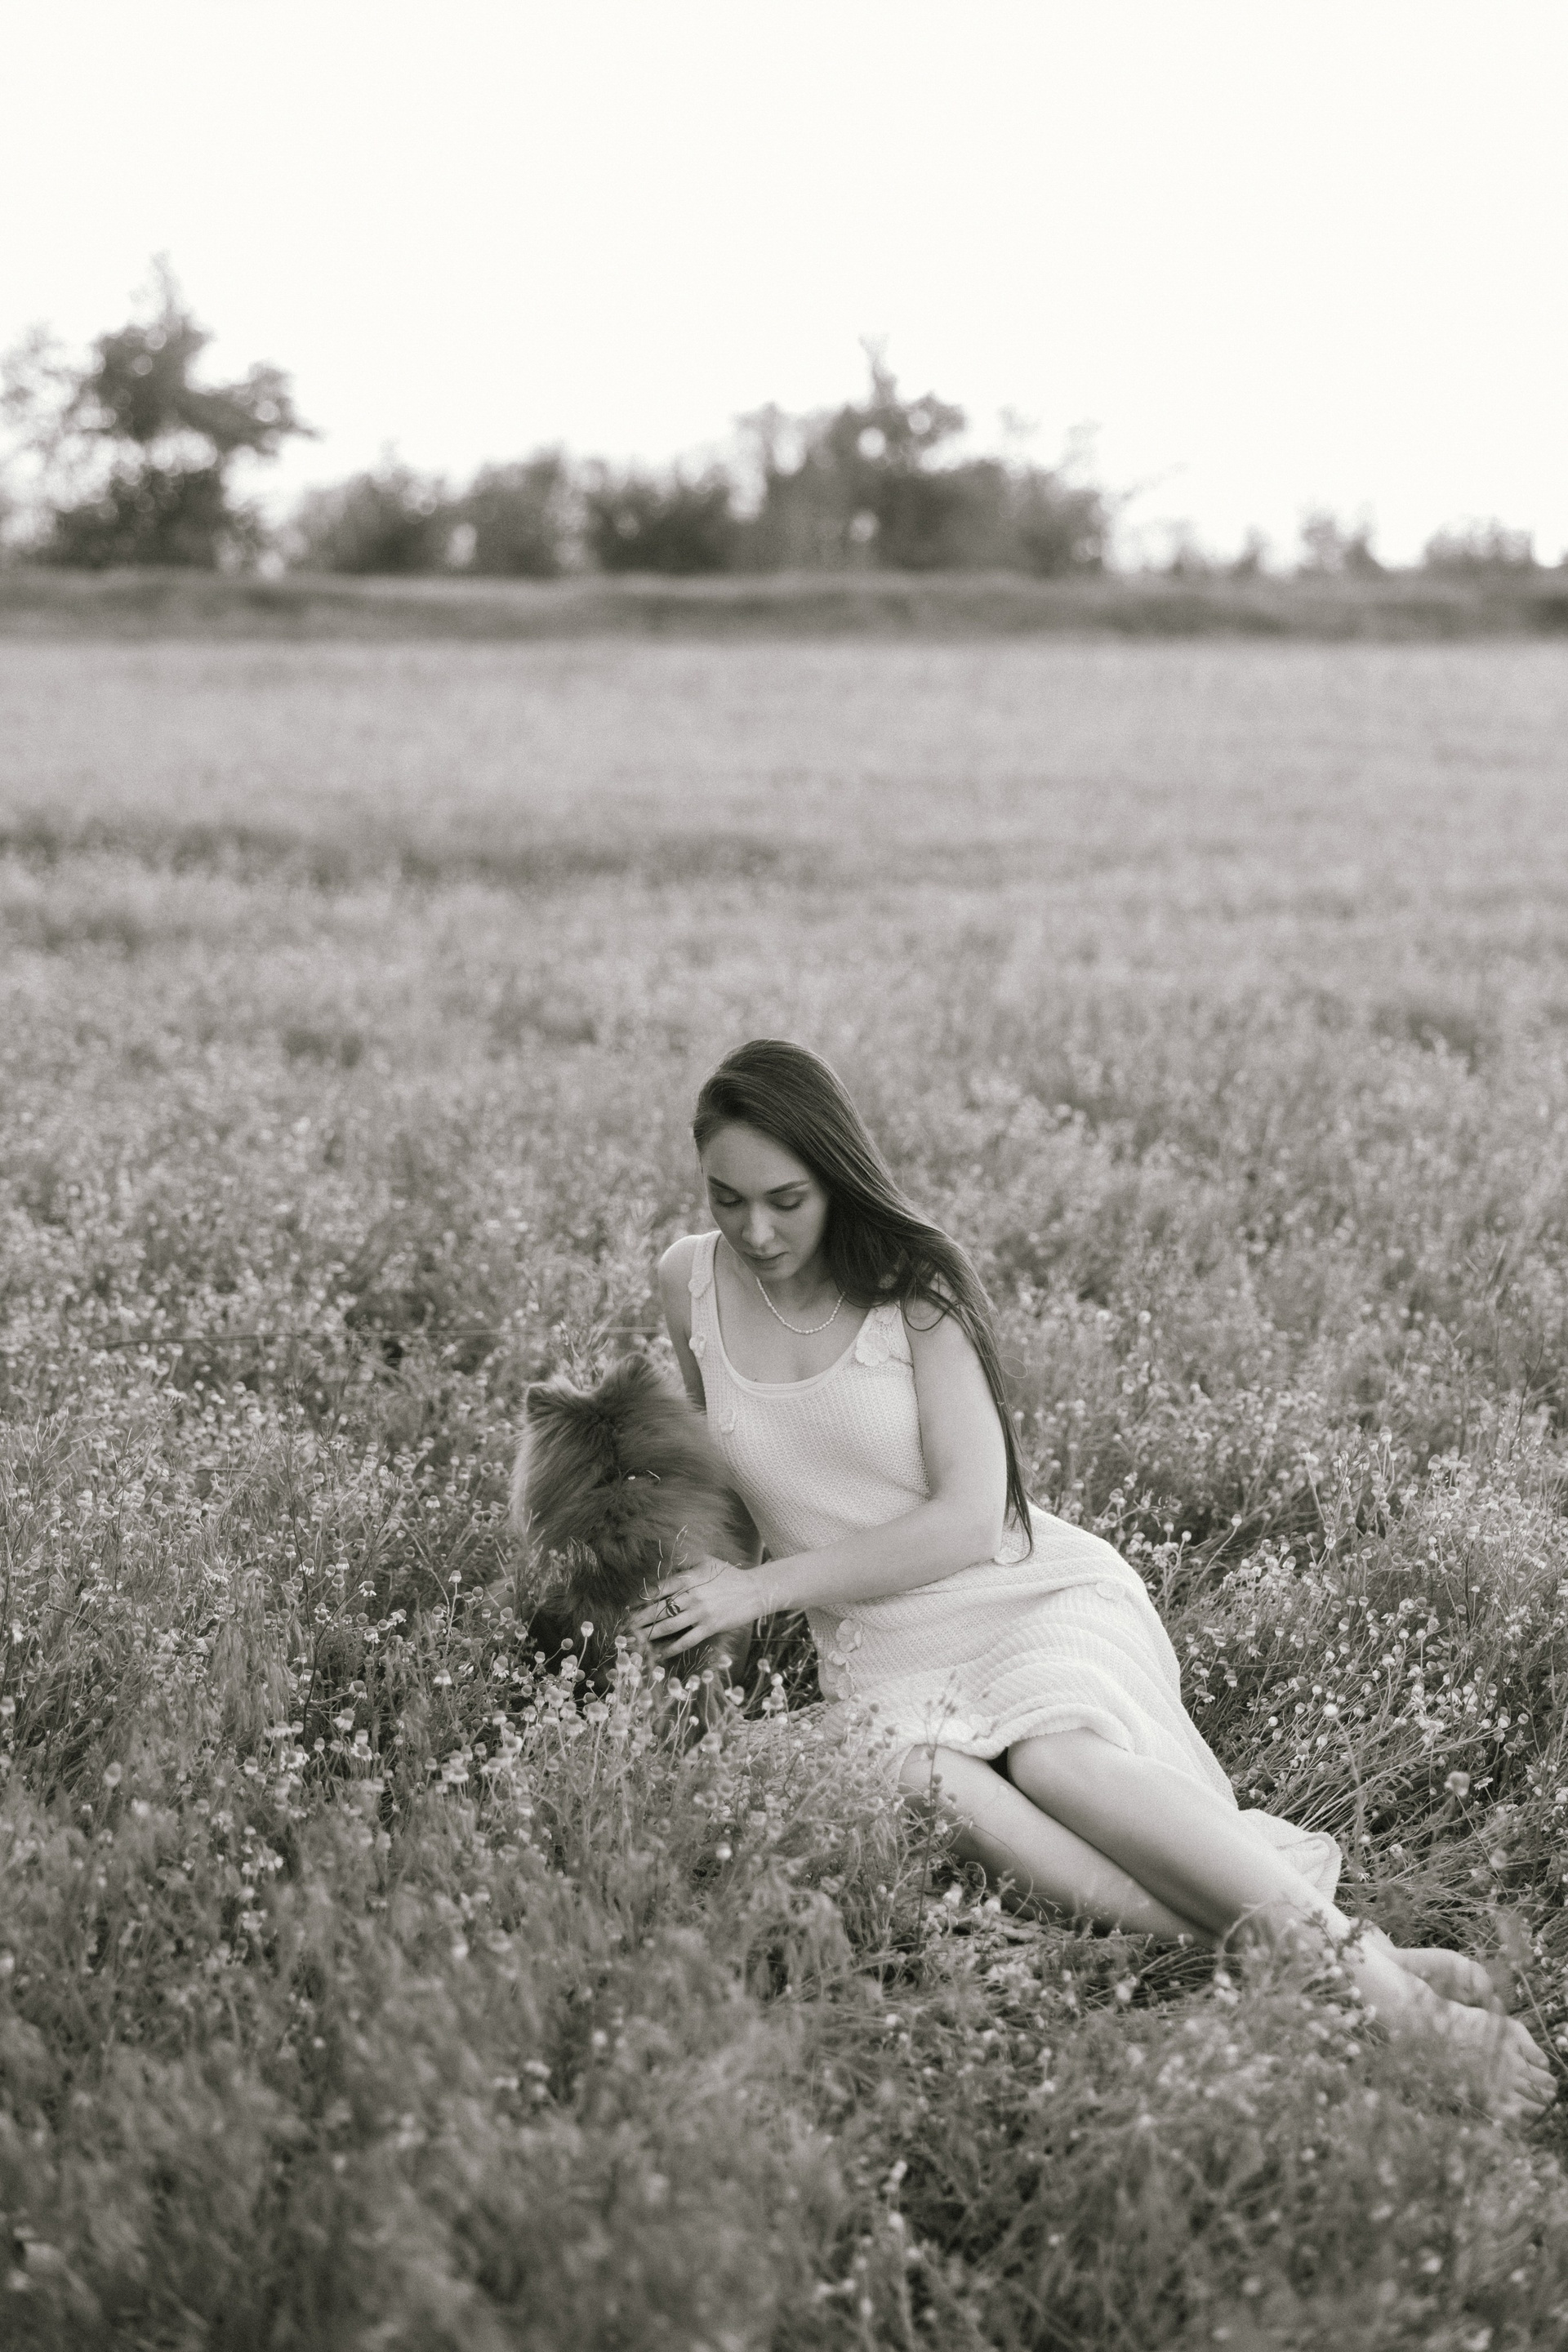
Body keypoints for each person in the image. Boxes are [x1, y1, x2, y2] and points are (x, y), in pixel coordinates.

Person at [630, 1038, 1554, 2123]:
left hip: (1024, 1596)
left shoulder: (914, 1294)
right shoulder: (688, 1282)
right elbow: (735, 1485)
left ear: (836, 1176)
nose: (756, 1231)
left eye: (786, 1200)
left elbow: (967, 1520)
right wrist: (691, 1590)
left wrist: (762, 1591)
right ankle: (1346, 1954)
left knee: (1057, 1761)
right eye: (728, 1198)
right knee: (922, 1783)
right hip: (880, 1655)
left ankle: (1386, 2003)